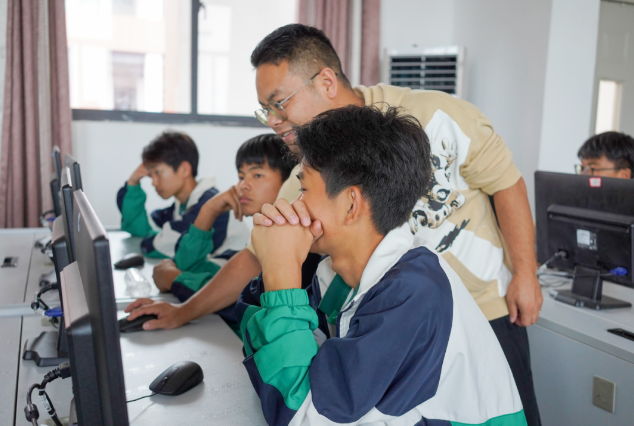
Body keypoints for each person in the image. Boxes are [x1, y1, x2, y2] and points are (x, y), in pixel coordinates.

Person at [125, 24, 542, 425]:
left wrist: (525, 273)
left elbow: (506, 183)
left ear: (325, 81)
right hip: (386, 300)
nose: (272, 119)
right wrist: (186, 311)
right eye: (265, 109)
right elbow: (257, 261)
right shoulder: (317, 195)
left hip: (480, 304)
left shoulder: (436, 117)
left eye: (278, 102)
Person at [238, 105, 526, 426]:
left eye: (303, 190)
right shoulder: (337, 274)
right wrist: (278, 268)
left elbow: (304, 416)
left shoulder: (414, 290)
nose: (293, 205)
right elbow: (268, 343)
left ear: (351, 204)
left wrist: (281, 277)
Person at [151, 133, 296, 304]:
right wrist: (209, 211)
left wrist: (176, 281)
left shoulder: (288, 249)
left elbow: (237, 301)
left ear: (290, 182)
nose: (243, 185)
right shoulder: (253, 246)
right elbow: (191, 268)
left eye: (257, 175)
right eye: (241, 177)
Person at [117, 131, 247, 259]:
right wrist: (133, 182)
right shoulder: (181, 206)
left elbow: (165, 246)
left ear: (184, 169)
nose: (153, 182)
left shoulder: (211, 205)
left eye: (157, 172)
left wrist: (155, 238)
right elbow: (140, 228)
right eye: (150, 175)